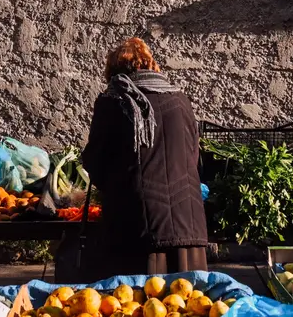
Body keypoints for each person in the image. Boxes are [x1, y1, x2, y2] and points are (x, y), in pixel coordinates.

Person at [82, 37, 208, 277]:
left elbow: (97, 162)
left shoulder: (114, 101)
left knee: (138, 307)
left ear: (115, 70)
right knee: (189, 306)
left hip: (136, 228)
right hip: (188, 225)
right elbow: (193, 157)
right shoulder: (181, 101)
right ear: (151, 66)